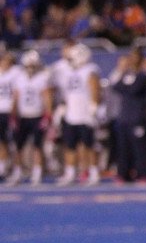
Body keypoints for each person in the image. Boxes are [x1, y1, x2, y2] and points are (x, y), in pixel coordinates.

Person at [56, 43, 102, 186]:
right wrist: (63, 107)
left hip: (85, 114)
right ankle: (70, 173)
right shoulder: (69, 72)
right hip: (71, 114)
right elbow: (67, 93)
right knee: (69, 146)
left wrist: (93, 108)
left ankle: (94, 172)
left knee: (89, 146)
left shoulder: (90, 70)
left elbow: (95, 89)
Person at [8, 50, 53, 186]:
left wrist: (47, 115)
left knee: (37, 146)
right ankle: (17, 173)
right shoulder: (19, 78)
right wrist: (13, 116)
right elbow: (15, 98)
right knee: (18, 146)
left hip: (37, 116)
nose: (30, 68)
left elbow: (47, 98)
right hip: (22, 116)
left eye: (33, 65)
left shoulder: (42, 77)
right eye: (28, 65)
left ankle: (37, 173)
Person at [111, 48, 146, 183]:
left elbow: (134, 90)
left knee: (139, 148)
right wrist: (121, 72)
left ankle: (143, 173)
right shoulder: (126, 75)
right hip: (124, 117)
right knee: (123, 147)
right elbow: (115, 86)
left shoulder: (144, 76)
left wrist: (124, 87)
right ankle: (123, 173)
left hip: (137, 117)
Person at [0, 50, 21, 180]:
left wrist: (14, 111)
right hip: (0, 111)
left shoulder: (16, 73)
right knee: (1, 141)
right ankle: (2, 168)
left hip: (10, 111)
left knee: (14, 143)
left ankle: (17, 170)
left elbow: (18, 92)